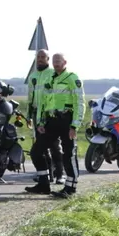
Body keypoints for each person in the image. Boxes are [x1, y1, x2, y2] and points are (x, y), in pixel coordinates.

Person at [25, 53, 85, 198]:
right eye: (54, 61)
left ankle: (70, 188)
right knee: (36, 151)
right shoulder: (50, 79)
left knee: (68, 154)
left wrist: (75, 126)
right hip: (51, 121)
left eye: (59, 61)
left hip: (67, 120)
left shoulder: (72, 78)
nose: (56, 63)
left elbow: (79, 103)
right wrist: (41, 122)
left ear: (65, 62)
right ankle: (43, 184)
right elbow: (44, 102)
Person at [27, 49, 65, 184]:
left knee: (55, 146)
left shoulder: (53, 73)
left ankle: (60, 174)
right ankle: (47, 175)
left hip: (51, 114)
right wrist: (28, 115)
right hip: (37, 115)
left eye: (43, 57)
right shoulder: (33, 76)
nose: (41, 59)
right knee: (41, 148)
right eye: (39, 57)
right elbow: (30, 97)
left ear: (48, 59)